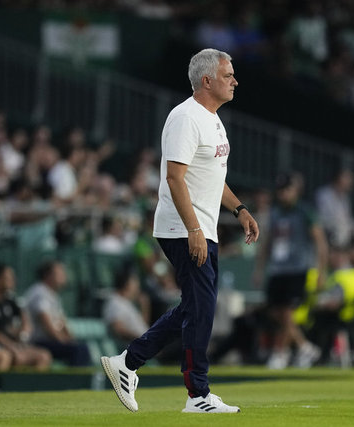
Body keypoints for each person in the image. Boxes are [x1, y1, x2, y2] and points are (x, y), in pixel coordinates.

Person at [100, 48, 259, 414]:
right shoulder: (186, 117)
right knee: (201, 310)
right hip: (182, 228)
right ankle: (197, 393)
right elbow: (175, 178)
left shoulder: (212, 119)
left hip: (201, 227)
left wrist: (239, 209)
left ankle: (128, 362)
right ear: (207, 80)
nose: (235, 81)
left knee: (196, 307)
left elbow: (213, 177)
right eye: (228, 75)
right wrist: (194, 229)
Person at [253, 171, 328, 370]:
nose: (283, 194)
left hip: (297, 268)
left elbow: (320, 242)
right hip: (278, 268)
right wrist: (260, 269)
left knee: (287, 312)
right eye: (281, 190)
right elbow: (267, 242)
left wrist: (321, 270)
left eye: (287, 189)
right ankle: (304, 346)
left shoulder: (305, 212)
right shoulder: (275, 213)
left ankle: (280, 352)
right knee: (275, 312)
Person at [0, 264, 50, 370]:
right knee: (5, 357)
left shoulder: (10, 299)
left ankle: (30, 381)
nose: (13, 281)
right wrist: (10, 345)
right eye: (8, 277)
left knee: (43, 356)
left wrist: (23, 334)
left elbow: (25, 319)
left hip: (11, 343)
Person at [24, 261, 91, 366]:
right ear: (48, 275)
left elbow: (62, 322)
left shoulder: (53, 295)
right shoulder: (39, 292)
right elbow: (46, 324)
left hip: (52, 341)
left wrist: (70, 340)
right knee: (78, 350)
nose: (64, 276)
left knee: (82, 347)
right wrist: (63, 341)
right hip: (38, 342)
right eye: (59, 273)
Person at [315, 168, 354, 247]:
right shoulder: (323, 194)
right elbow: (324, 216)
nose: (351, 182)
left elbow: (347, 217)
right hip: (327, 235)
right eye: (347, 179)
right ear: (339, 179)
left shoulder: (345, 197)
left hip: (342, 239)